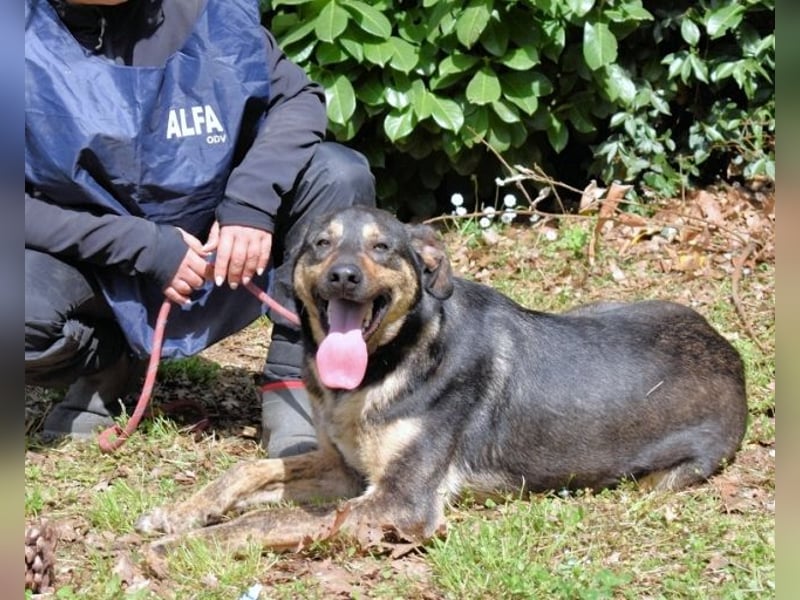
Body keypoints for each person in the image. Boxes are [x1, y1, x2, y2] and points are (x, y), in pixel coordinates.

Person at [24, 0, 376, 456]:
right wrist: (142, 246)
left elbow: (300, 99)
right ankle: (106, 360)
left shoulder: (210, 10)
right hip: (91, 262)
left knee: (339, 173)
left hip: (219, 246)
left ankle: (297, 379)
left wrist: (249, 204)